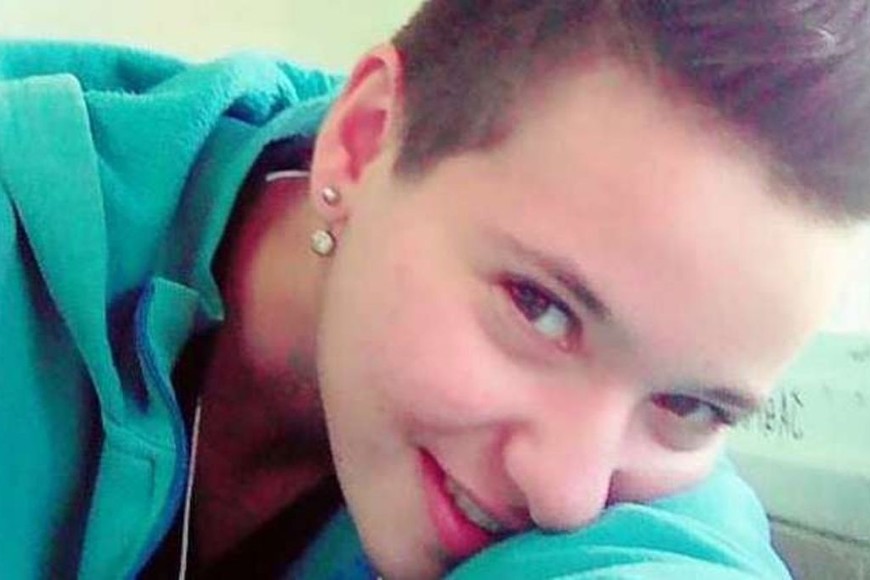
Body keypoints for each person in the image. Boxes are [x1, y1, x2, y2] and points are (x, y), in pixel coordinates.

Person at [2, 1, 869, 578]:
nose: (566, 494)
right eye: (541, 308)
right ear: (364, 140)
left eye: (690, 406)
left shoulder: (648, 504)